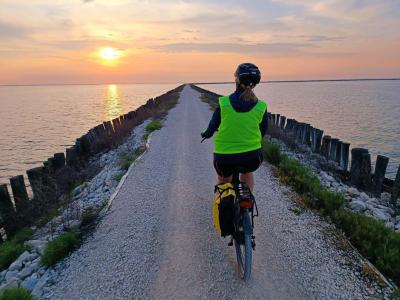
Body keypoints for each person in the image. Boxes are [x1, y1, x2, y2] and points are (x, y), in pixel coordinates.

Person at [201, 63, 268, 191]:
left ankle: (223, 201)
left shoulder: (224, 103)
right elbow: (262, 132)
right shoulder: (261, 106)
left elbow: (211, 128)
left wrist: (206, 134)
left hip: (224, 158)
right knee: (247, 172)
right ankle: (246, 205)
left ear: (237, 79)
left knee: (223, 178)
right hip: (252, 157)